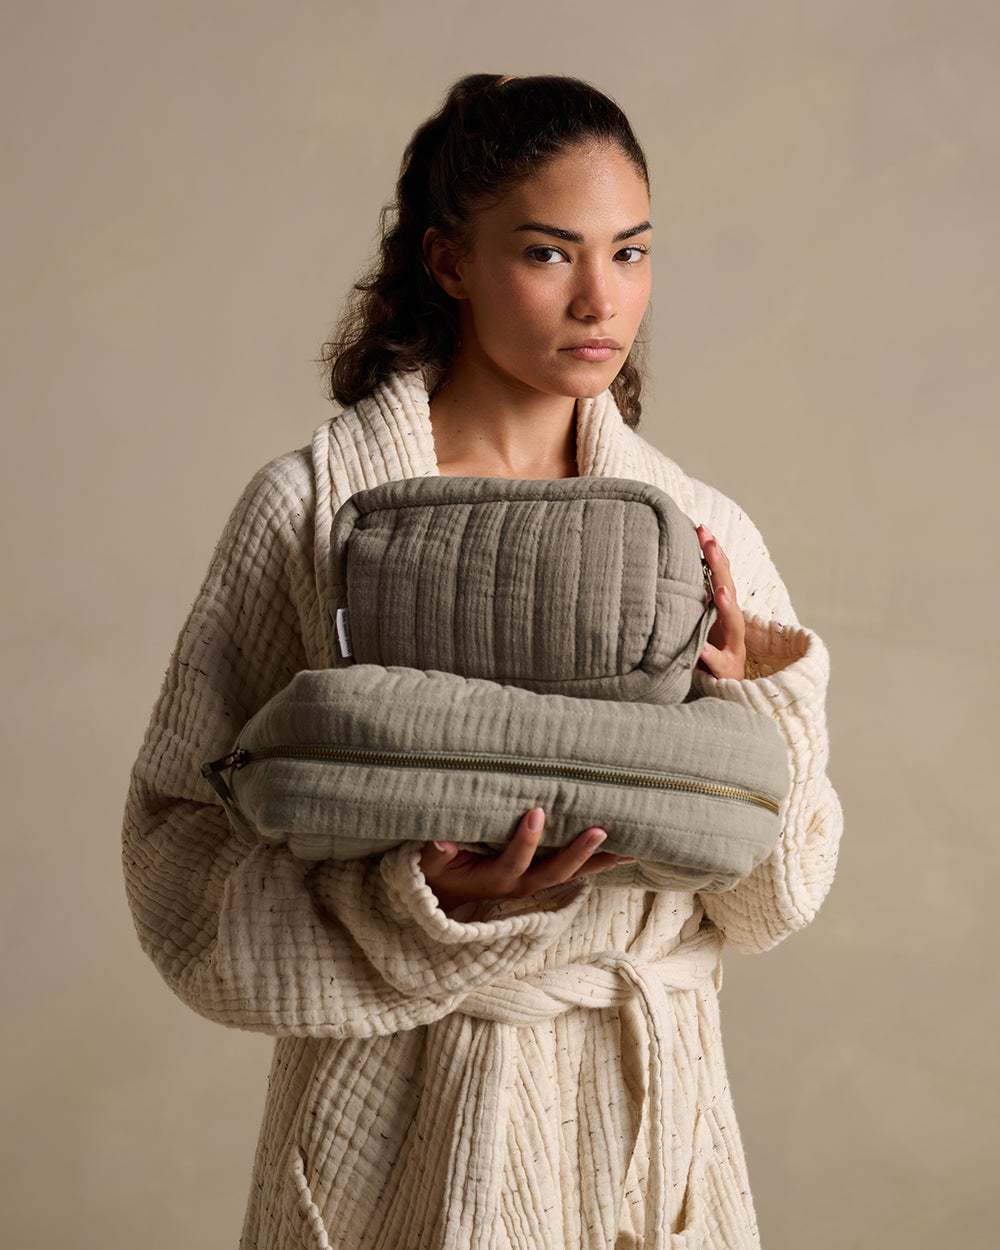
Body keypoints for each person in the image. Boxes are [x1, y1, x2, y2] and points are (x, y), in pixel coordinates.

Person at [124, 74, 842, 1249]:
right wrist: (420, 906)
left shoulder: (702, 528)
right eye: (549, 253)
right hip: (398, 1127)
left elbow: (774, 898)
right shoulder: (308, 512)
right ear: (449, 260)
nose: (601, 299)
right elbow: (175, 857)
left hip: (640, 1134)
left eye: (631, 252)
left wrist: (767, 687)